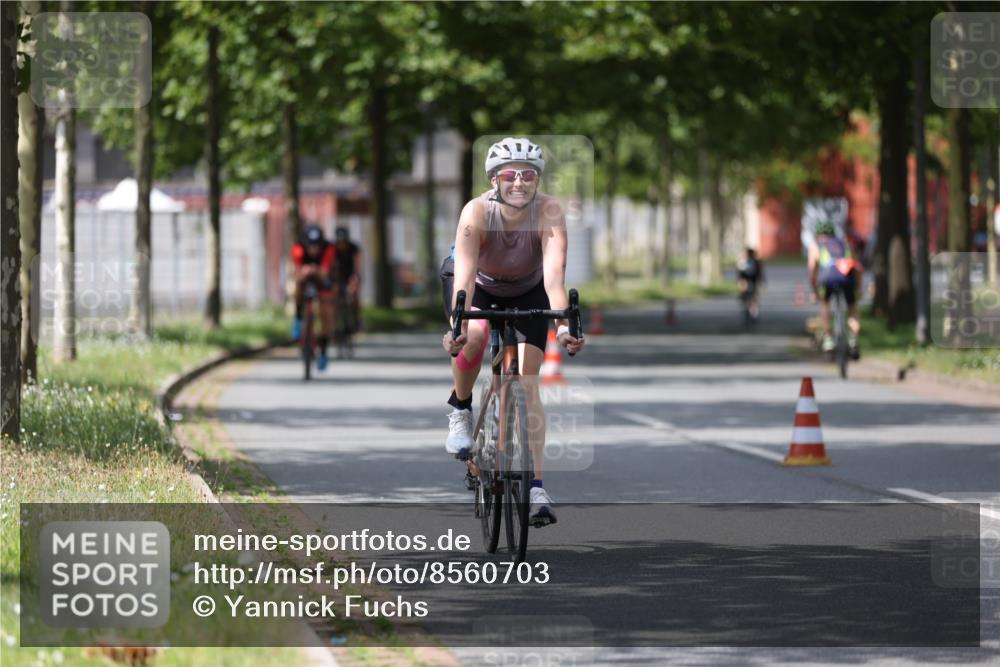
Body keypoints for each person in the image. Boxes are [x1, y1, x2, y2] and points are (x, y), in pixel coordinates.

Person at [440, 137, 584, 527]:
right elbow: (465, 280)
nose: (518, 182)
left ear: (537, 179)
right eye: (509, 174)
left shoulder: (550, 211)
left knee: (528, 381)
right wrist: (457, 325)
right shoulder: (476, 212)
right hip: (478, 285)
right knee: (472, 337)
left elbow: (555, 279)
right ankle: (461, 408)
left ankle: (536, 486)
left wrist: (564, 326)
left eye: (528, 174)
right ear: (494, 179)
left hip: (529, 287)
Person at [808, 220, 862, 358]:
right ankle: (853, 339)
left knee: (825, 303)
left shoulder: (816, 245)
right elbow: (858, 267)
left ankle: (828, 339)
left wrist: (815, 292)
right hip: (847, 276)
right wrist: (858, 288)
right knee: (852, 307)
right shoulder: (845, 243)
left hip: (828, 278)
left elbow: (812, 271)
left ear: (818, 234)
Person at [290, 224, 336, 370]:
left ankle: (323, 350)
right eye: (310, 245)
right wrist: (304, 271)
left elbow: (324, 273)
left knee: (326, 312)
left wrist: (315, 270)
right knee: (297, 286)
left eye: (316, 246)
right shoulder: (298, 248)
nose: (313, 249)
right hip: (304, 278)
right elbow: (296, 272)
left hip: (322, 280)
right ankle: (298, 318)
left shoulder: (328, 248)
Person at [333, 227, 362, 333]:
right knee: (334, 296)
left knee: (353, 293)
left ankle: (356, 319)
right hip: (337, 276)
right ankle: (334, 324)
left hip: (351, 275)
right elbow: (331, 267)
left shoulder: (354, 249)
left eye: (343, 242)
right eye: (339, 242)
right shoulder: (333, 249)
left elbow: (357, 267)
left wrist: (355, 278)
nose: (341, 244)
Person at [736, 247, 765, 321]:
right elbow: (740, 273)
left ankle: (753, 311)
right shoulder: (744, 262)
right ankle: (746, 307)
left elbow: (760, 272)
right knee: (745, 296)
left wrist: (761, 280)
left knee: (754, 297)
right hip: (746, 281)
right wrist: (740, 281)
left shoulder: (756, 262)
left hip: (754, 281)